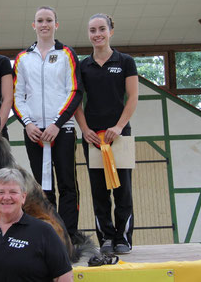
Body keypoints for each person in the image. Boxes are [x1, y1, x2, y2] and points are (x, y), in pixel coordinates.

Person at [13, 6, 83, 242]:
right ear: (33, 25)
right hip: (34, 132)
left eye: (49, 20)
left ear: (56, 25)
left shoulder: (67, 54)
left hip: (61, 130)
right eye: (40, 21)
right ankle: (50, 235)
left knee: (67, 183)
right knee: (44, 187)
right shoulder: (23, 58)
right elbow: (17, 96)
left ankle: (69, 236)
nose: (44, 24)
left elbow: (74, 91)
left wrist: (56, 124)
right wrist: (28, 124)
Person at [74, 13, 138, 255]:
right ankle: (106, 239)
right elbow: (76, 102)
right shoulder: (83, 66)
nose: (97, 34)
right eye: (92, 30)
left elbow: (133, 97)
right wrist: (85, 130)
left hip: (120, 135)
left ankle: (123, 237)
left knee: (123, 190)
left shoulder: (125, 61)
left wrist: (119, 127)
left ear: (111, 31)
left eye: (102, 29)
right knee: (99, 191)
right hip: (92, 138)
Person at [0, 168, 73, 282]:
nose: (6, 197)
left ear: (23, 197)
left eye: (13, 192)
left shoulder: (44, 232)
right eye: (0, 192)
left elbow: (64, 278)